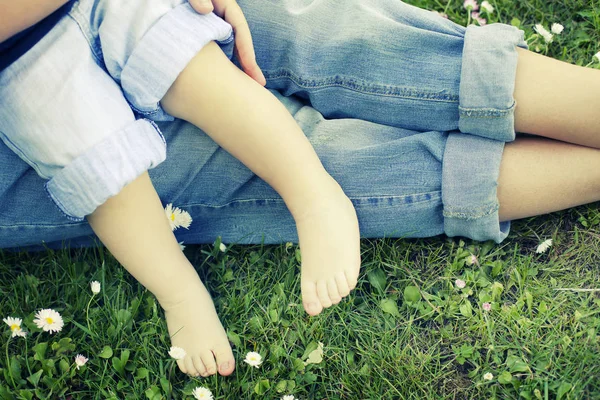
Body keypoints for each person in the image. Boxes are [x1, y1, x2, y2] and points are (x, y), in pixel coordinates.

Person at [1, 0, 599, 378]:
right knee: (101, 172)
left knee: (256, 46)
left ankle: (313, 194)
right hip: (17, 75)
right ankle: (181, 293)